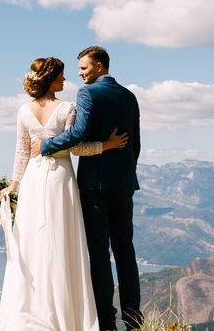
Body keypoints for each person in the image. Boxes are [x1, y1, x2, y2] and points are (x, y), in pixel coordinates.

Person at [0, 57, 129, 331]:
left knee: (34, 239)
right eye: (61, 76)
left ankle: (34, 306)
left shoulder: (23, 111)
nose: (66, 80)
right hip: (60, 179)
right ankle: (65, 311)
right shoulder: (68, 108)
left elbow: (22, 151)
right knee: (61, 238)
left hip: (33, 177)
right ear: (51, 79)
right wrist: (107, 145)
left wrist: (14, 183)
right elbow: (77, 148)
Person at [40, 47, 142, 331]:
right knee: (125, 251)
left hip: (95, 184)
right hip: (124, 183)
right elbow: (136, 144)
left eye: (84, 68)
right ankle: (134, 321)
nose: (80, 74)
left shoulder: (89, 94)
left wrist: (46, 145)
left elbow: (78, 133)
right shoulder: (129, 96)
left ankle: (106, 322)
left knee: (99, 252)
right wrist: (124, 172)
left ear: (99, 67)